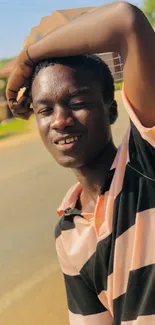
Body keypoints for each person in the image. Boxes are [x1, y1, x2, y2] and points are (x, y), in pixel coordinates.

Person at [6, 2, 155, 324]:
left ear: (112, 111)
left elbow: (126, 21)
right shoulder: (68, 232)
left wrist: (27, 59)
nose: (60, 121)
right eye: (45, 110)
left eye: (77, 103)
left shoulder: (147, 163)